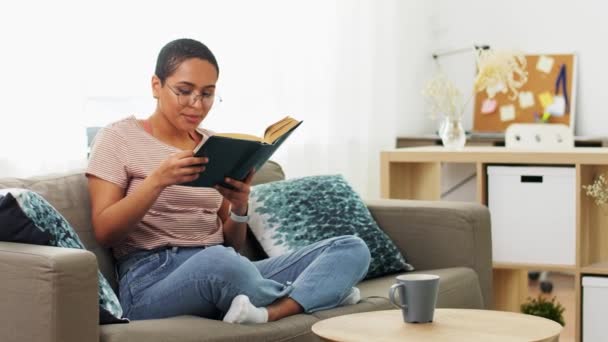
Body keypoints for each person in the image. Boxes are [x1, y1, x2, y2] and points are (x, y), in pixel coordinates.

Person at [86, 38, 371, 324]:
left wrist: (239, 206)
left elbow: (233, 245)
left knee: (351, 248)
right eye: (184, 91)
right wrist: (157, 181)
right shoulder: (117, 138)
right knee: (220, 264)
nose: (197, 104)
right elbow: (105, 232)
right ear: (156, 86)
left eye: (207, 94)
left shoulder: (213, 145)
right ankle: (321, 294)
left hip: (224, 265)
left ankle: (270, 312)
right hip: (151, 280)